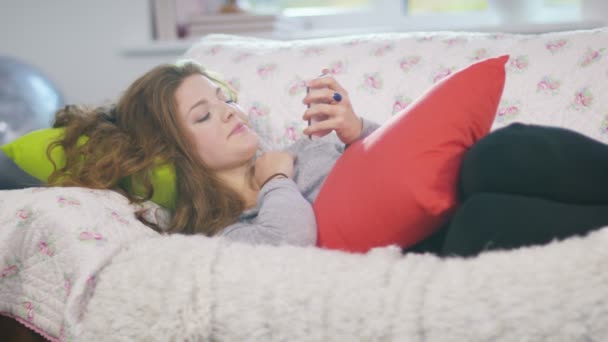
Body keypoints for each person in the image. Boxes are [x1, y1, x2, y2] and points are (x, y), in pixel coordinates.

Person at [49, 60, 608, 257]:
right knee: (488, 220)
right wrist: (273, 183)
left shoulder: (302, 146)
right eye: (202, 116)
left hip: (447, 200)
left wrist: (358, 131)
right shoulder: (221, 233)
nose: (226, 111)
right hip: (426, 247)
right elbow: (293, 242)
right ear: (175, 153)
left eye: (222, 98)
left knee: (493, 156)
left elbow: (426, 165)